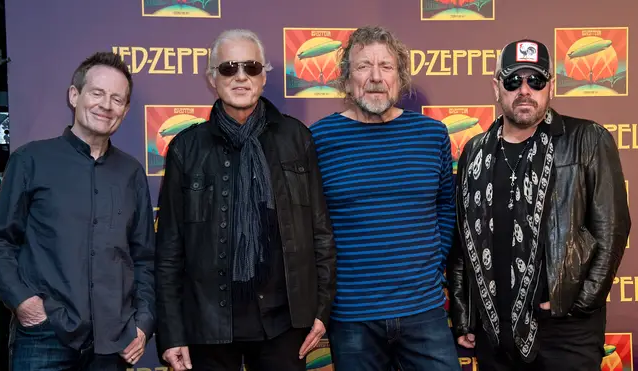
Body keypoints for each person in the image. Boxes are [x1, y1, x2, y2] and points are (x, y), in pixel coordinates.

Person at [154, 29, 337, 371]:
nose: (241, 76)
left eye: (251, 67)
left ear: (264, 76)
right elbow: (168, 252)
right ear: (212, 78)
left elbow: (320, 232)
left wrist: (321, 310)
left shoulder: (297, 138)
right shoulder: (185, 149)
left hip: (284, 324)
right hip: (207, 326)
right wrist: (171, 331)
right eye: (228, 68)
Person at [447, 39, 631, 370]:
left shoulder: (586, 139)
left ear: (551, 86)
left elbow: (612, 229)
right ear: (496, 86)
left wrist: (578, 302)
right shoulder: (475, 152)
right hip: (495, 330)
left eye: (536, 80)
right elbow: (462, 243)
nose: (525, 90)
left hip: (565, 331)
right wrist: (463, 315)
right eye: (513, 80)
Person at [0, 52, 156, 370]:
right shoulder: (30, 160)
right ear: (74, 95)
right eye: (97, 93)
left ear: (126, 110)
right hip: (44, 338)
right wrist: (24, 302)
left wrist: (142, 322)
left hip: (112, 344)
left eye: (117, 99)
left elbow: (144, 258)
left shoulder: (131, 172)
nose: (106, 105)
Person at [309, 26, 461, 371]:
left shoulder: (431, 134)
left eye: (386, 67)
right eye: (363, 67)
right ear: (347, 80)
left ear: (400, 77)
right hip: (352, 315)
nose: (375, 77)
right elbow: (312, 225)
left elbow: (445, 207)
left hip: (424, 309)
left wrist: (430, 268)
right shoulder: (319, 138)